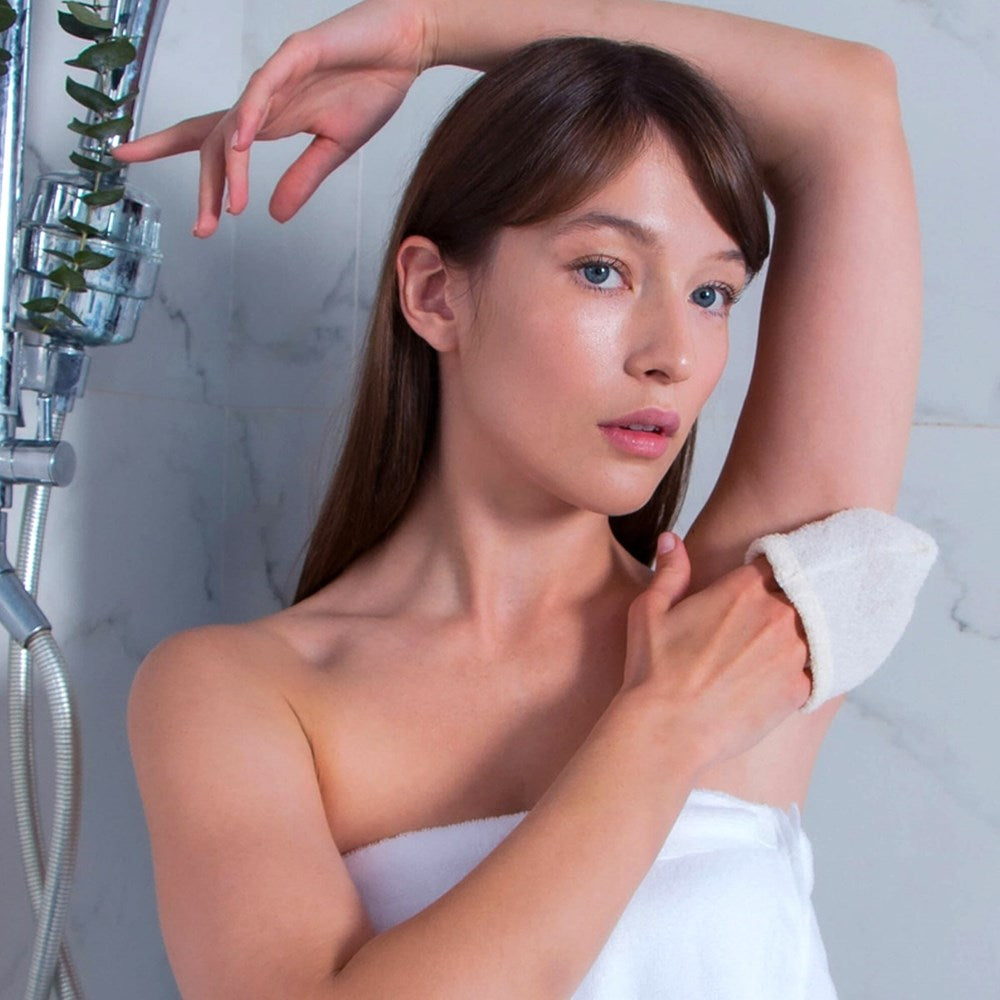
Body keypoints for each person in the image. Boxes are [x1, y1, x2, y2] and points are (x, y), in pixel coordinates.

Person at [119, 0, 921, 997]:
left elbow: (849, 105)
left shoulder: (740, 622)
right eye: (602, 269)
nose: (671, 353)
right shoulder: (242, 695)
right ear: (435, 293)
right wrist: (657, 730)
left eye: (711, 293)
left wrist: (428, 31)